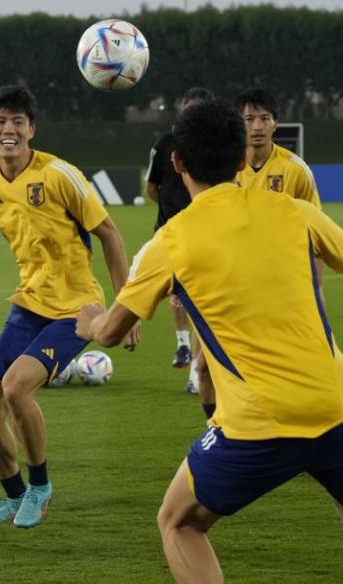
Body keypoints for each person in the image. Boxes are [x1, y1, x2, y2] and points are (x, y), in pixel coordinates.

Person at [76, 100, 343, 584]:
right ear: (240, 158)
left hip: (255, 425)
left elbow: (111, 332)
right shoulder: (293, 211)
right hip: (337, 407)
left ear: (177, 162)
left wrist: (87, 323)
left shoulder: (170, 241)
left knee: (178, 523)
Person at [0, 85, 139, 529]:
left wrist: (125, 307)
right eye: (0, 121)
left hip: (76, 309)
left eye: (18, 122)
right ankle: (14, 497)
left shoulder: (59, 174)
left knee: (16, 388)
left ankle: (41, 488)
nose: (8, 129)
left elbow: (109, 233)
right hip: (28, 305)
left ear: (31, 129)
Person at [191, 88, 326, 418]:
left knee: (296, 366)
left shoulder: (295, 171)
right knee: (205, 369)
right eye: (249, 119)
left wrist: (314, 287)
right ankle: (217, 433)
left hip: (283, 286)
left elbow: (318, 235)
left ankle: (322, 413)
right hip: (233, 284)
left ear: (276, 124)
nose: (257, 127)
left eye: (264, 118)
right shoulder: (226, 168)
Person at [146, 87, 214, 380]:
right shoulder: (164, 145)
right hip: (169, 232)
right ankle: (184, 345)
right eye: (186, 110)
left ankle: (196, 373)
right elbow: (152, 187)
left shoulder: (213, 147)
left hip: (204, 231)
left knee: (197, 299)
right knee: (180, 297)